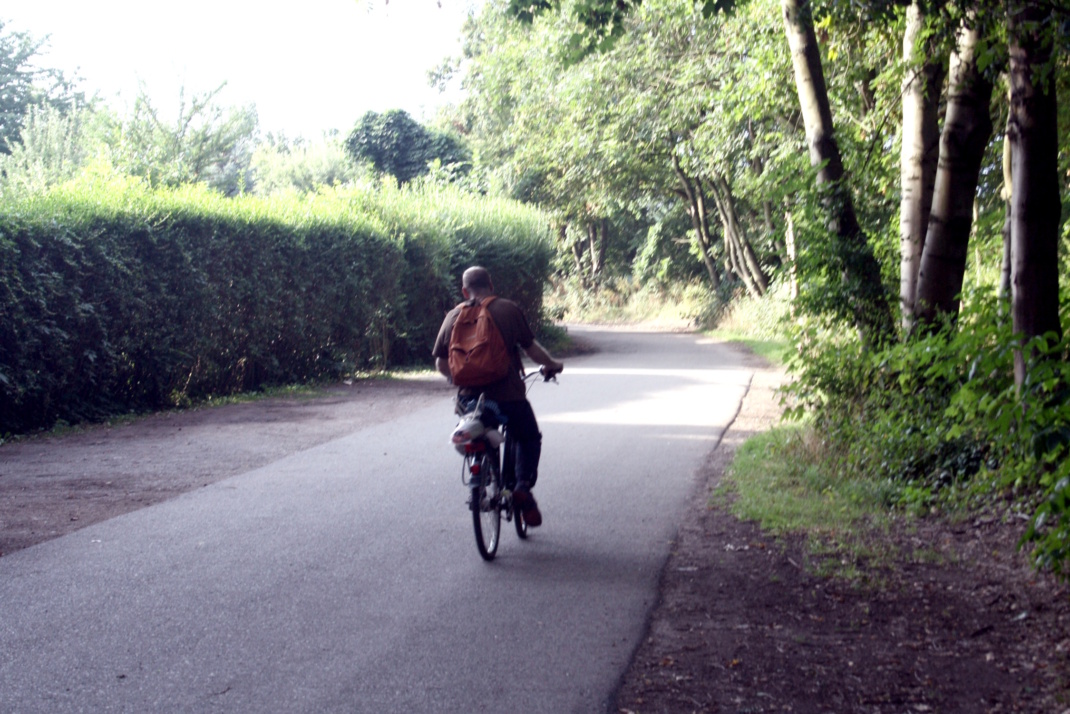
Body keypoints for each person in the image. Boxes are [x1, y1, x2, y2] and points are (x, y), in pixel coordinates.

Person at [432, 266, 563, 527]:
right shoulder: (507, 309)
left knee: (477, 430)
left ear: (464, 290)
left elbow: (441, 363)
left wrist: (457, 379)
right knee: (527, 436)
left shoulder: (453, 316)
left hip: (471, 401)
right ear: (491, 285)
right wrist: (552, 364)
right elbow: (531, 349)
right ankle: (522, 487)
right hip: (508, 397)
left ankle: (482, 472)